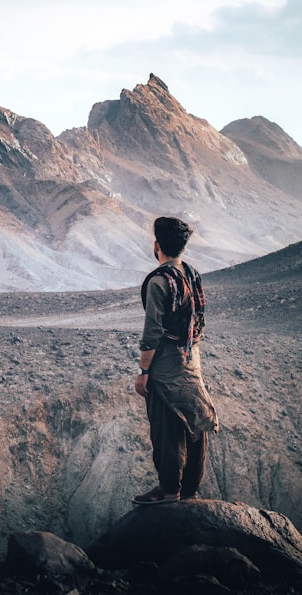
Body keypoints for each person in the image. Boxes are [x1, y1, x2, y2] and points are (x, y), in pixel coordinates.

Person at [132, 216, 218, 505]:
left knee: (166, 427)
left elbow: (152, 331)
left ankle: (170, 490)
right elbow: (199, 319)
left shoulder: (159, 281)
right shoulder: (191, 275)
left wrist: (144, 371)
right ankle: (190, 489)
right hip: (192, 360)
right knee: (194, 421)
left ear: (157, 245)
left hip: (166, 366)